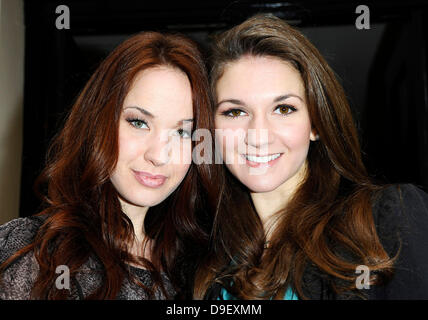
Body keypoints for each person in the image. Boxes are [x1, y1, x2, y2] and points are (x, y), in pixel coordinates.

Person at [193, 14, 428, 300]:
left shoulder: (387, 219)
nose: (258, 135)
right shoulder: (210, 264)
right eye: (235, 112)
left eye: (283, 109)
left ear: (316, 123)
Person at [0, 31, 220, 299]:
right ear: (99, 121)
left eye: (182, 132)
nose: (159, 155)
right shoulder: (30, 252)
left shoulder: (205, 270)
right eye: (139, 122)